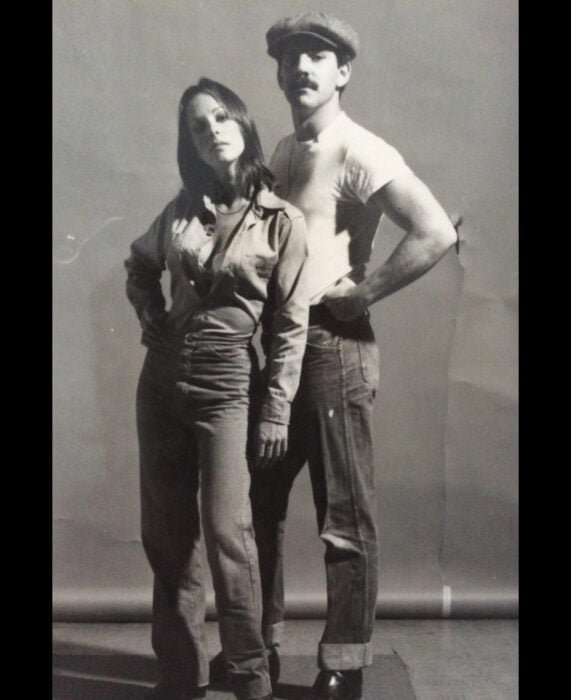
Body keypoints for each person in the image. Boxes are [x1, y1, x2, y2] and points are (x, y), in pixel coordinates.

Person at [249, 12, 460, 700]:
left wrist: (362, 292)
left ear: (342, 72)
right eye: (291, 58)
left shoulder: (360, 147)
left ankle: (343, 663)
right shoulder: (283, 148)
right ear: (279, 71)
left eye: (318, 57)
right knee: (260, 504)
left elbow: (433, 232)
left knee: (343, 515)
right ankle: (263, 645)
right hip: (278, 348)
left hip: (333, 347)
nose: (302, 68)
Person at [125, 77, 309, 700]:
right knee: (168, 535)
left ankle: (250, 676)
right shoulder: (182, 210)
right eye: (198, 128)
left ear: (243, 124)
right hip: (160, 383)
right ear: (193, 146)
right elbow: (141, 263)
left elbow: (289, 326)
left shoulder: (283, 222)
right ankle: (180, 679)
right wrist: (150, 311)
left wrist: (275, 411)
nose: (212, 132)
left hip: (229, 382)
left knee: (229, 533)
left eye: (220, 118)